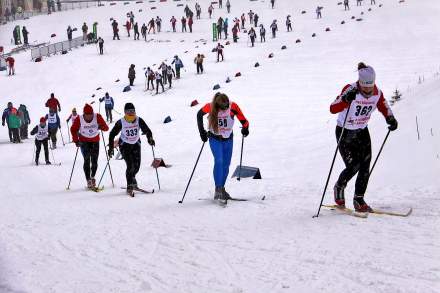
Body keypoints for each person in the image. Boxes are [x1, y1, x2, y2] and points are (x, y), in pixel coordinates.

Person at [330, 62, 398, 212]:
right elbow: (333, 108)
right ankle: (339, 186)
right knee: (354, 165)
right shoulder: (350, 89)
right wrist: (345, 100)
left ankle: (359, 199)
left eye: (370, 85)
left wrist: (390, 118)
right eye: (365, 86)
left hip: (362, 131)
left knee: (365, 165)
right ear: (359, 83)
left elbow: (383, 106)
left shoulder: (377, 93)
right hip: (345, 131)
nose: (368, 89)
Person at [197, 93, 249, 203]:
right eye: (223, 107)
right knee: (219, 161)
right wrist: (202, 132)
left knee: (226, 164)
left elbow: (244, 120)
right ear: (217, 105)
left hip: (228, 139)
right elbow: (199, 114)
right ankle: (218, 189)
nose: (225, 108)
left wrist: (245, 128)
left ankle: (222, 189)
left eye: (226, 106)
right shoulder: (210, 106)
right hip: (215, 139)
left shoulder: (233, 106)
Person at [108, 103, 155, 195]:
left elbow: (147, 130)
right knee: (130, 165)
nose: (131, 113)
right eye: (128, 111)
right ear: (125, 112)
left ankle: (132, 180)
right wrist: (111, 148)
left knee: (136, 166)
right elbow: (112, 134)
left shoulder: (138, 120)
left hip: (136, 144)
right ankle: (130, 185)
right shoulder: (121, 122)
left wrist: (150, 139)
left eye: (132, 111)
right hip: (124, 145)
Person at [70, 104, 109, 189]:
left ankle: (92, 177)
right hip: (84, 141)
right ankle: (88, 180)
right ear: (84, 114)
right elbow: (73, 129)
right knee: (87, 160)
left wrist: (100, 126)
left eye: (91, 114)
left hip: (95, 141)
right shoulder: (79, 119)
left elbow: (106, 128)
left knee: (94, 161)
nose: (90, 117)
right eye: (88, 115)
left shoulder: (97, 116)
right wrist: (76, 140)